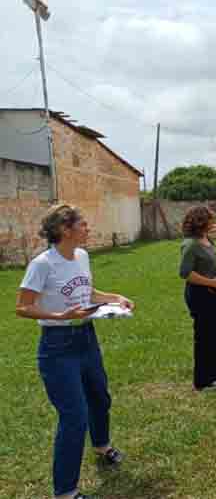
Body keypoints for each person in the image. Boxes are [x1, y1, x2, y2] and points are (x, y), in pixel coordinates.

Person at [15, 204, 133, 499]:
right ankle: (65, 491)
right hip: (57, 347)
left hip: (86, 338)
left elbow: (89, 293)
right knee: (74, 416)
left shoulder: (81, 256)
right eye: (82, 224)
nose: (88, 229)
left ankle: (102, 446)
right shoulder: (43, 264)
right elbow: (23, 307)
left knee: (100, 397)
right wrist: (60, 317)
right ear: (64, 230)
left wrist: (115, 298)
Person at [179, 206, 216, 391]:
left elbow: (214, 264)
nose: (213, 222)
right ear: (201, 221)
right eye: (211, 219)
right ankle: (203, 381)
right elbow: (186, 273)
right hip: (201, 296)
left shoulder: (207, 239)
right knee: (205, 338)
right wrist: (212, 282)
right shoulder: (190, 244)